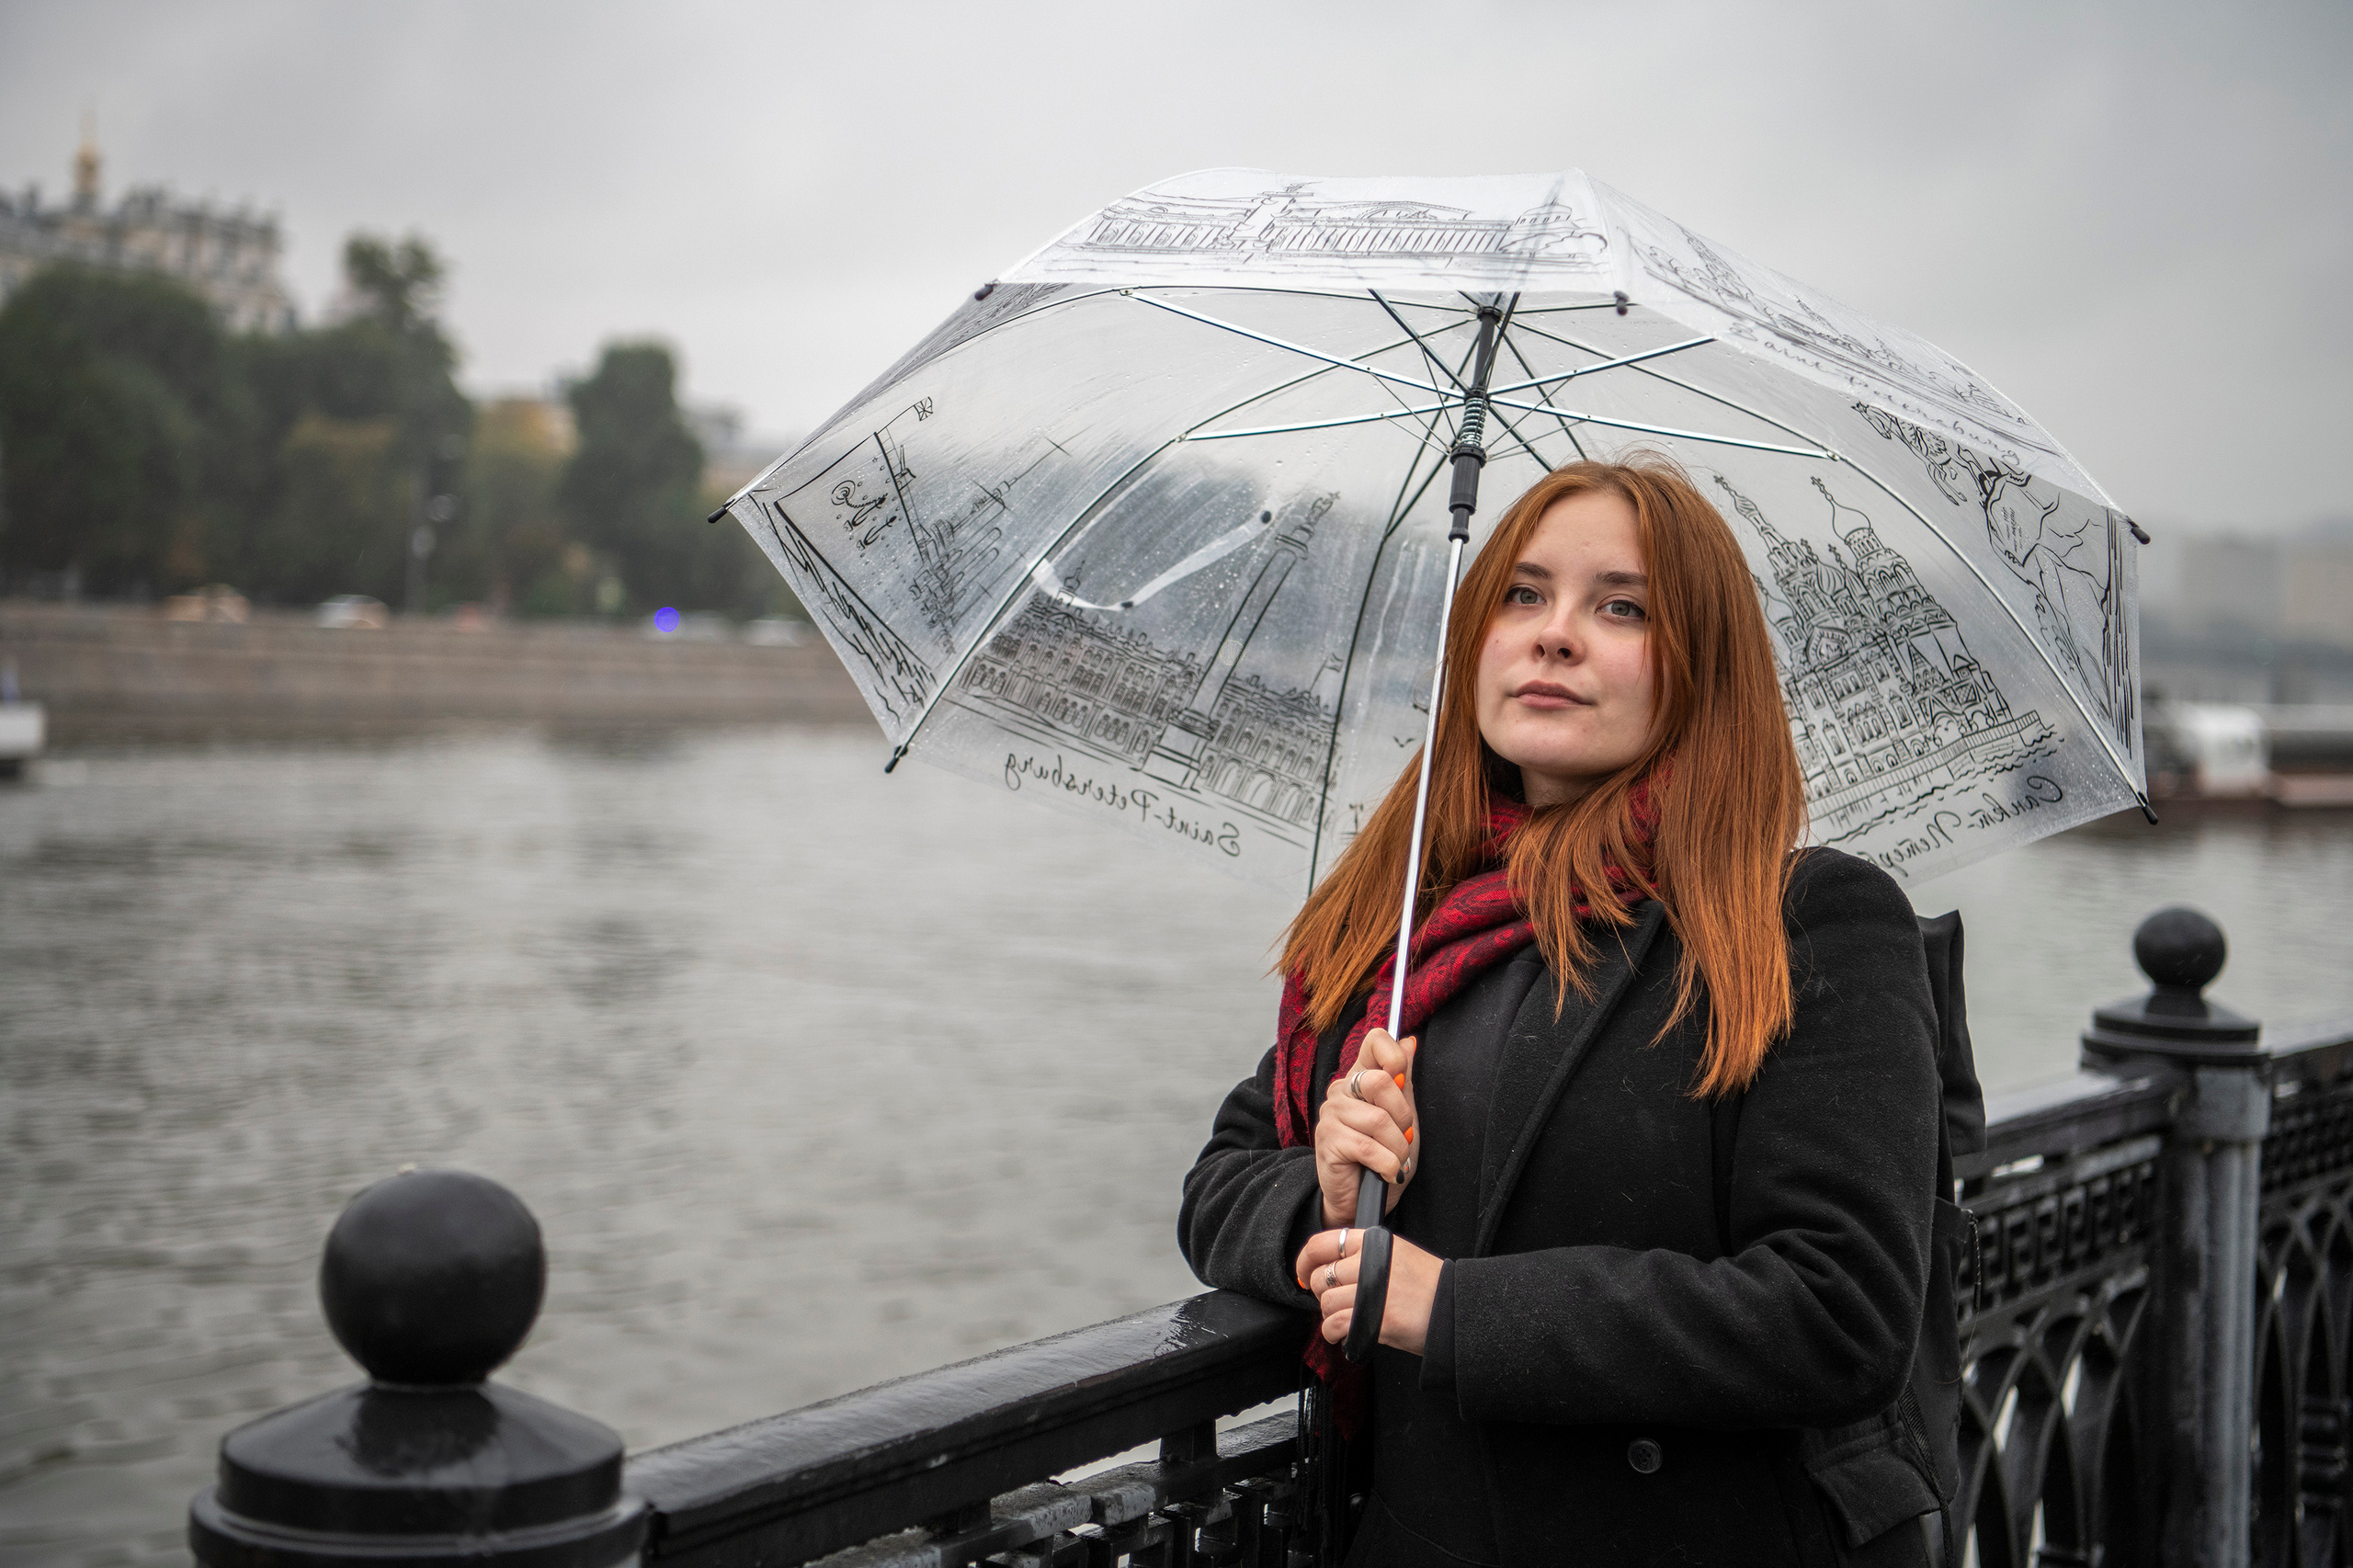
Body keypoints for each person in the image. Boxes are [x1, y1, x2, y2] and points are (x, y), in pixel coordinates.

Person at [1177, 459, 1941, 1567]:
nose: (1554, 634)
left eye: (1620, 606)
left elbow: (1840, 1309)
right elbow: (1218, 1185)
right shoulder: (1402, 919)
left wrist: (1456, 1309)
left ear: (1702, 668)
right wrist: (1328, 1197)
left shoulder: (1801, 920)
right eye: (1521, 595)